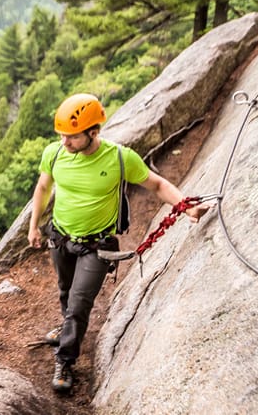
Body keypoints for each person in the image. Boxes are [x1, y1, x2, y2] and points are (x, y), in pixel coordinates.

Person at [27, 93, 210, 393]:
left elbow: (157, 184)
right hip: (60, 237)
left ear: (93, 132)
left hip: (96, 247)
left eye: (71, 137)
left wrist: (186, 206)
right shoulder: (55, 154)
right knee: (65, 290)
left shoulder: (119, 158)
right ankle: (66, 328)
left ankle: (65, 360)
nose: (65, 143)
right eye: (61, 136)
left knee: (79, 303)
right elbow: (44, 186)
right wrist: (34, 226)